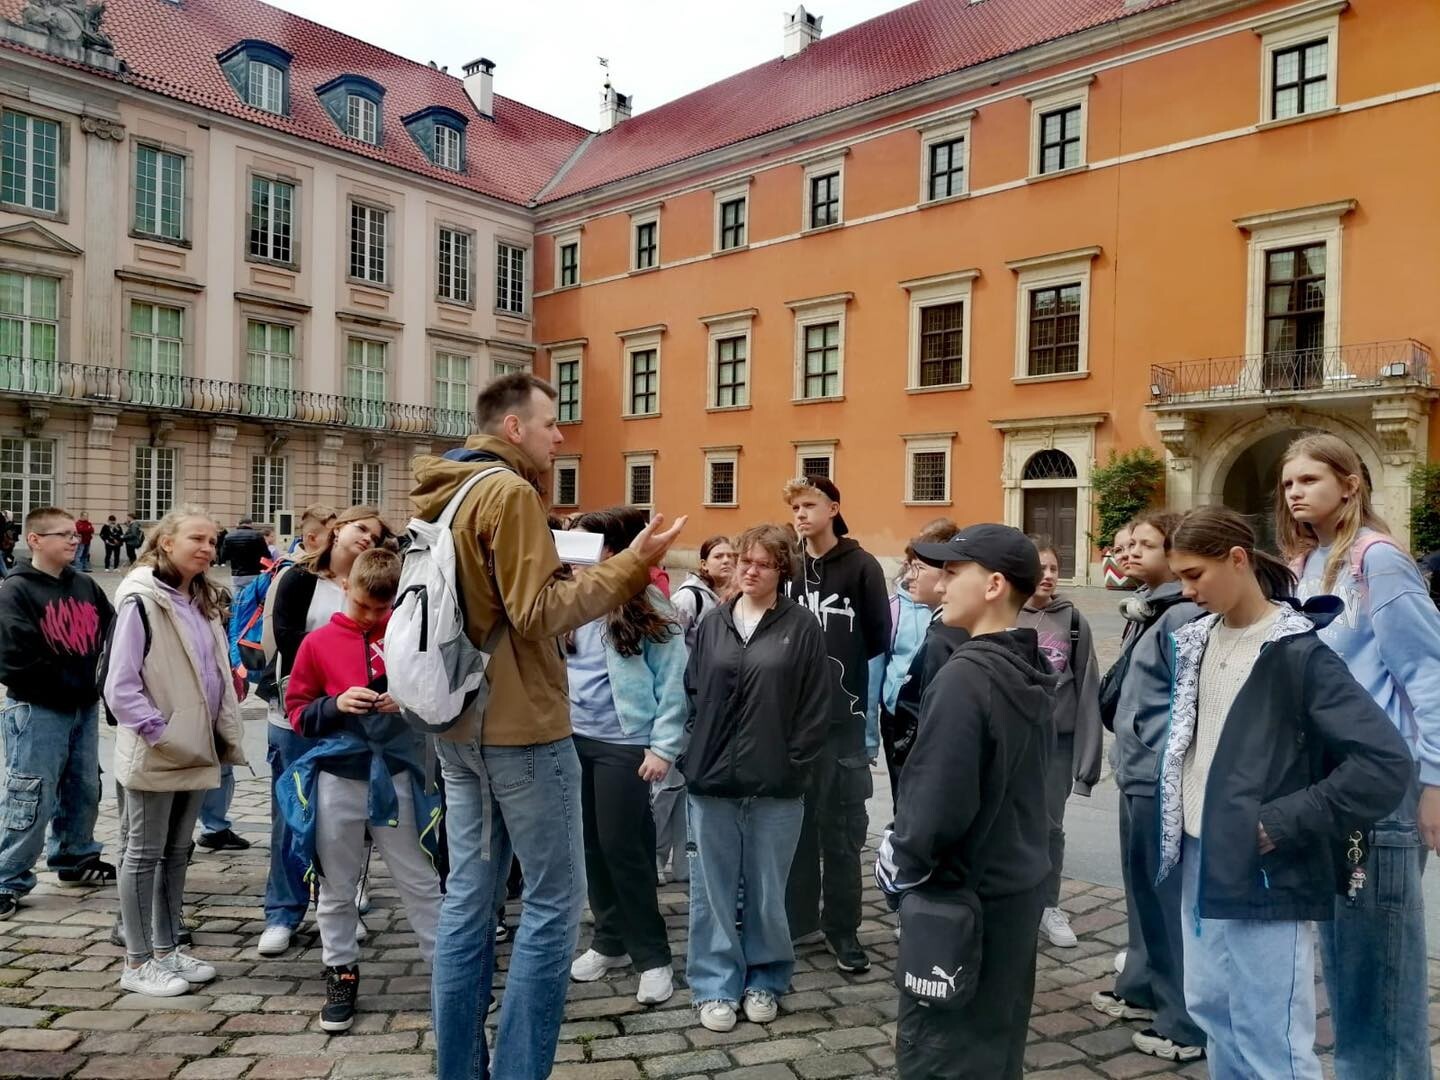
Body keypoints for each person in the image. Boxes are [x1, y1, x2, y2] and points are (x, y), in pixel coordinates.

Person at [411, 372, 683, 1080]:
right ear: (514, 428)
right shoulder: (508, 492)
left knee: (469, 901)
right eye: (550, 423)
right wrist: (633, 564)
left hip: (458, 724)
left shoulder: (450, 488)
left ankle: (459, 1070)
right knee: (554, 904)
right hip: (521, 727)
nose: (560, 436)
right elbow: (536, 614)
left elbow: (499, 601)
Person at [1158, 506, 1410, 1078]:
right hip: (1200, 853)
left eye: (1194, 575)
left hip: (1266, 866)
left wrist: (1282, 822)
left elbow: (1384, 761)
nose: (1186, 591)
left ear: (1237, 559)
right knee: (1212, 1010)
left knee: (1269, 1033)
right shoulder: (1197, 640)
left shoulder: (1300, 652)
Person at [1276, 433, 1440, 1080]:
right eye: (1288, 483)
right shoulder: (1309, 564)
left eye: (1309, 479)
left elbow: (1429, 673)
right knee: (1347, 958)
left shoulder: (1379, 562)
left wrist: (1435, 783)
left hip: (1381, 785)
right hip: (1331, 782)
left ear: (1350, 484)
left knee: (1380, 966)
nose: (1295, 492)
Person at [876, 524, 1056, 1079]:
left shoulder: (965, 677)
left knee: (941, 1054)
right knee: (995, 1046)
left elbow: (935, 804)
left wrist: (899, 862)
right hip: (1013, 891)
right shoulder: (1028, 665)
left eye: (955, 573)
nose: (941, 583)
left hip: (964, 899)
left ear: (995, 585)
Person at [283, 548, 442, 1033]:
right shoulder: (317, 642)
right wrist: (335, 705)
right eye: (363, 606)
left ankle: (447, 975)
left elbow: (440, 702)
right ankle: (340, 970)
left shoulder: (409, 636)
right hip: (338, 776)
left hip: (397, 775)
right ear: (345, 589)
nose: (372, 616)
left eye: (382, 608)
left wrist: (407, 703)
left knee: (420, 879)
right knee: (336, 885)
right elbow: (298, 713)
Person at [683, 523, 830, 1033]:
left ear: (781, 570)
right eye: (745, 560)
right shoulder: (714, 623)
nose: (749, 570)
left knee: (768, 890)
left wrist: (792, 764)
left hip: (776, 785)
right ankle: (714, 984)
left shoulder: (802, 627)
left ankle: (765, 977)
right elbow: (693, 691)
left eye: (763, 564)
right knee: (713, 890)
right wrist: (693, 751)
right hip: (712, 780)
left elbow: (816, 706)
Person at [104, 507, 247, 996]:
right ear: (166, 542)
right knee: (143, 853)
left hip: (198, 742)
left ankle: (166, 950)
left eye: (212, 540)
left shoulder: (200, 598)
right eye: (196, 539)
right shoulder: (142, 600)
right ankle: (137, 960)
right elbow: (121, 685)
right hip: (160, 744)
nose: (207, 548)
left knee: (177, 852)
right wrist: (158, 731)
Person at [1092, 510, 1206, 1061]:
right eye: (1128, 543)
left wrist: (1155, 751)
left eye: (1146, 544)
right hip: (1136, 767)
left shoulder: (1181, 612)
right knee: (1140, 889)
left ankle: (1182, 1019)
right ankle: (1140, 985)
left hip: (1159, 773)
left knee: (1164, 899)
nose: (1130, 552)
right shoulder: (1150, 607)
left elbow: (1186, 701)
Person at [563, 507, 688, 1007]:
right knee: (591, 846)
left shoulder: (645, 602)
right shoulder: (568, 599)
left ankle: (652, 956)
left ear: (613, 551)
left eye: (584, 545)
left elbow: (674, 679)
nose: (572, 556)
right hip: (574, 740)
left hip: (624, 743)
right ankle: (609, 940)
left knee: (625, 847)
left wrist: (663, 746)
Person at [256, 504, 384, 957]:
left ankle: (341, 907)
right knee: (292, 815)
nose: (367, 537)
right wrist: (336, 685)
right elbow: (288, 640)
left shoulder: (373, 584)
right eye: (361, 528)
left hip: (353, 717)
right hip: (298, 714)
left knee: (348, 820)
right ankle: (283, 911)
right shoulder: (298, 578)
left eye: (376, 535)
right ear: (338, 528)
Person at [781, 475, 889, 974]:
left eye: (809, 505)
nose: (801, 514)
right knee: (795, 830)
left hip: (843, 724)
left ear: (833, 508)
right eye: (795, 507)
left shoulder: (862, 566)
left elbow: (877, 639)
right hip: (792, 724)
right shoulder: (789, 566)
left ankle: (843, 929)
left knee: (843, 835)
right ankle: (798, 919)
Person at [0, 508, 116, 919]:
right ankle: (7, 878)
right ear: (34, 540)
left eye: (74, 534)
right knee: (30, 792)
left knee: (83, 786)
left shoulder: (85, 584)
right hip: (38, 708)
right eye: (63, 534)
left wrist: (101, 685)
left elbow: (113, 633)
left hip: (84, 706)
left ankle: (75, 856)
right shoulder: (15, 590)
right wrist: (65, 686)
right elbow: (12, 658)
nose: (74, 540)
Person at [1019, 537, 1102, 950]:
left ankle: (1048, 905)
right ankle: (1011, 902)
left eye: (1053, 568)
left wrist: (1087, 765)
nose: (1048, 575)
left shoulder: (1072, 621)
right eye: (1040, 568)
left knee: (1051, 826)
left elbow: (1088, 689)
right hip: (1015, 741)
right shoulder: (1006, 614)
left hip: (1056, 744)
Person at [657, 535, 736, 883]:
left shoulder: (726, 597)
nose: (727, 561)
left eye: (731, 555)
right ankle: (655, 856)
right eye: (718, 556)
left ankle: (683, 861)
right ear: (703, 563)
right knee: (668, 786)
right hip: (682, 703)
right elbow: (668, 645)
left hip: (707, 706)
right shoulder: (689, 597)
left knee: (689, 785)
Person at [880, 519, 955, 802]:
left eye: (919, 568)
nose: (909, 576)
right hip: (897, 719)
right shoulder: (897, 608)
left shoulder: (947, 634)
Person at [221, 519, 268, 592]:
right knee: (253, 595)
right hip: (254, 572)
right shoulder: (257, 535)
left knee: (237, 595)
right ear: (250, 524)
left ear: (239, 524)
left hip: (236, 573)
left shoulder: (229, 536)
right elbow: (266, 555)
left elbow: (224, 556)